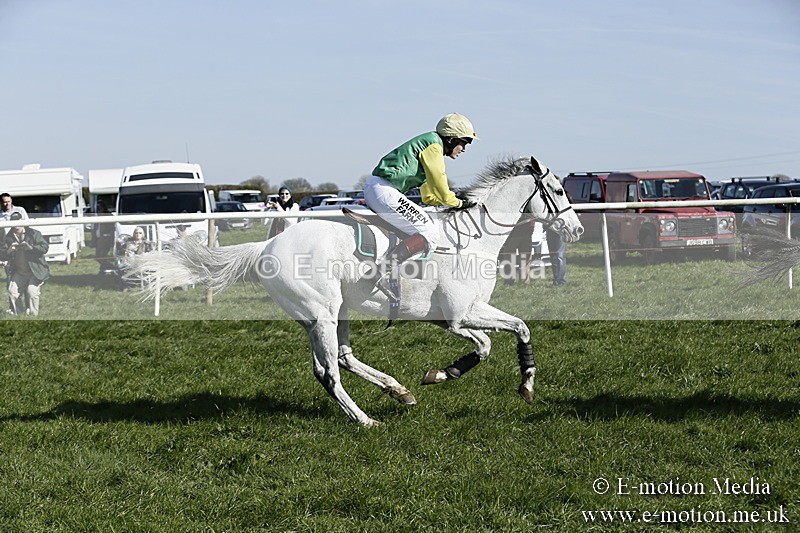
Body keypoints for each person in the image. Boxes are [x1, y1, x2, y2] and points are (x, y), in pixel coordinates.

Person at [364, 112, 478, 290]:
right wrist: (460, 203)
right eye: (464, 142)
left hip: (380, 189)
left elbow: (429, 196)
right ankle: (382, 272)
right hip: (384, 190)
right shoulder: (434, 146)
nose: (464, 148)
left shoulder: (430, 145)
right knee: (430, 233)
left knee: (426, 224)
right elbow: (441, 186)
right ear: (450, 139)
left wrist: (444, 202)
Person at [0, 212, 50, 316]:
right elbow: (2, 254)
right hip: (20, 271)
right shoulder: (8, 237)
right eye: (13, 223)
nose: (16, 226)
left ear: (22, 221)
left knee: (31, 292)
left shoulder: (33, 233)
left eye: (18, 222)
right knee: (12, 292)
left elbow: (45, 248)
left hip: (35, 270)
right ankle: (19, 313)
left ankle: (33, 316)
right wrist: (9, 251)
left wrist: (31, 248)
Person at [94, 200, 115, 274]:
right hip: (99, 239)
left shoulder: (109, 216)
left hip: (107, 239)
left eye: (99, 208)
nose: (98, 210)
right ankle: (110, 267)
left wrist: (108, 237)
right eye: (97, 209)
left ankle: (104, 270)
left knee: (102, 256)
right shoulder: (97, 217)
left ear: (104, 207)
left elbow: (112, 228)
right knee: (97, 257)